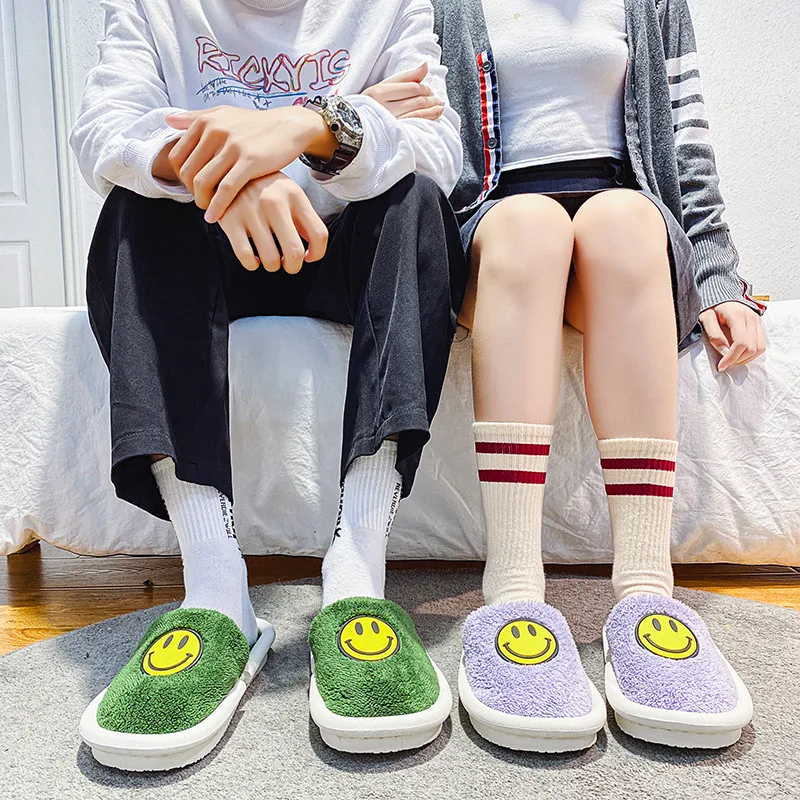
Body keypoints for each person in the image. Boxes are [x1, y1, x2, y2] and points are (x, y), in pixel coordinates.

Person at [70, 0, 467, 769]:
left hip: (342, 244)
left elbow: (438, 147)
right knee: (136, 210)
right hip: (214, 239)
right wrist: (236, 170)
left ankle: (357, 572)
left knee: (416, 198)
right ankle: (216, 588)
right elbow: (105, 131)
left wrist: (308, 126)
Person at [372, 0, 763, 751]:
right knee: (532, 226)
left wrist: (720, 280)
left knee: (624, 221)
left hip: (623, 230)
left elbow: (687, 145)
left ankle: (646, 589)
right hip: (492, 226)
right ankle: (513, 587)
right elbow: (422, 136)